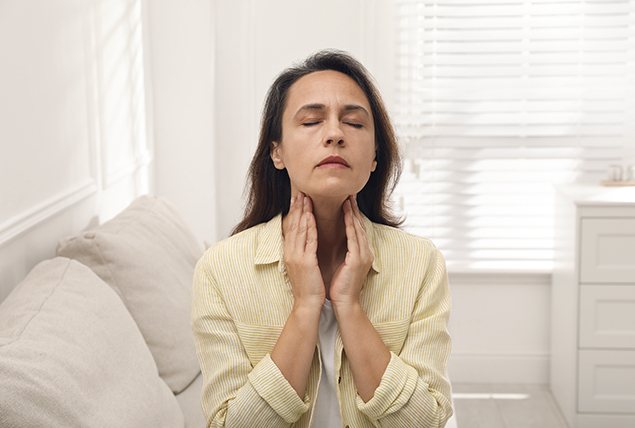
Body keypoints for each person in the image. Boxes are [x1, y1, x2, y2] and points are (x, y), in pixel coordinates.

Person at [191, 49, 453, 428]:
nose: (334, 134)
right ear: (277, 152)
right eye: (313, 121)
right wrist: (305, 306)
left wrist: (348, 305)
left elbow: (425, 421)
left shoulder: (421, 263)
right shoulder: (220, 269)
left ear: (376, 155)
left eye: (354, 123)